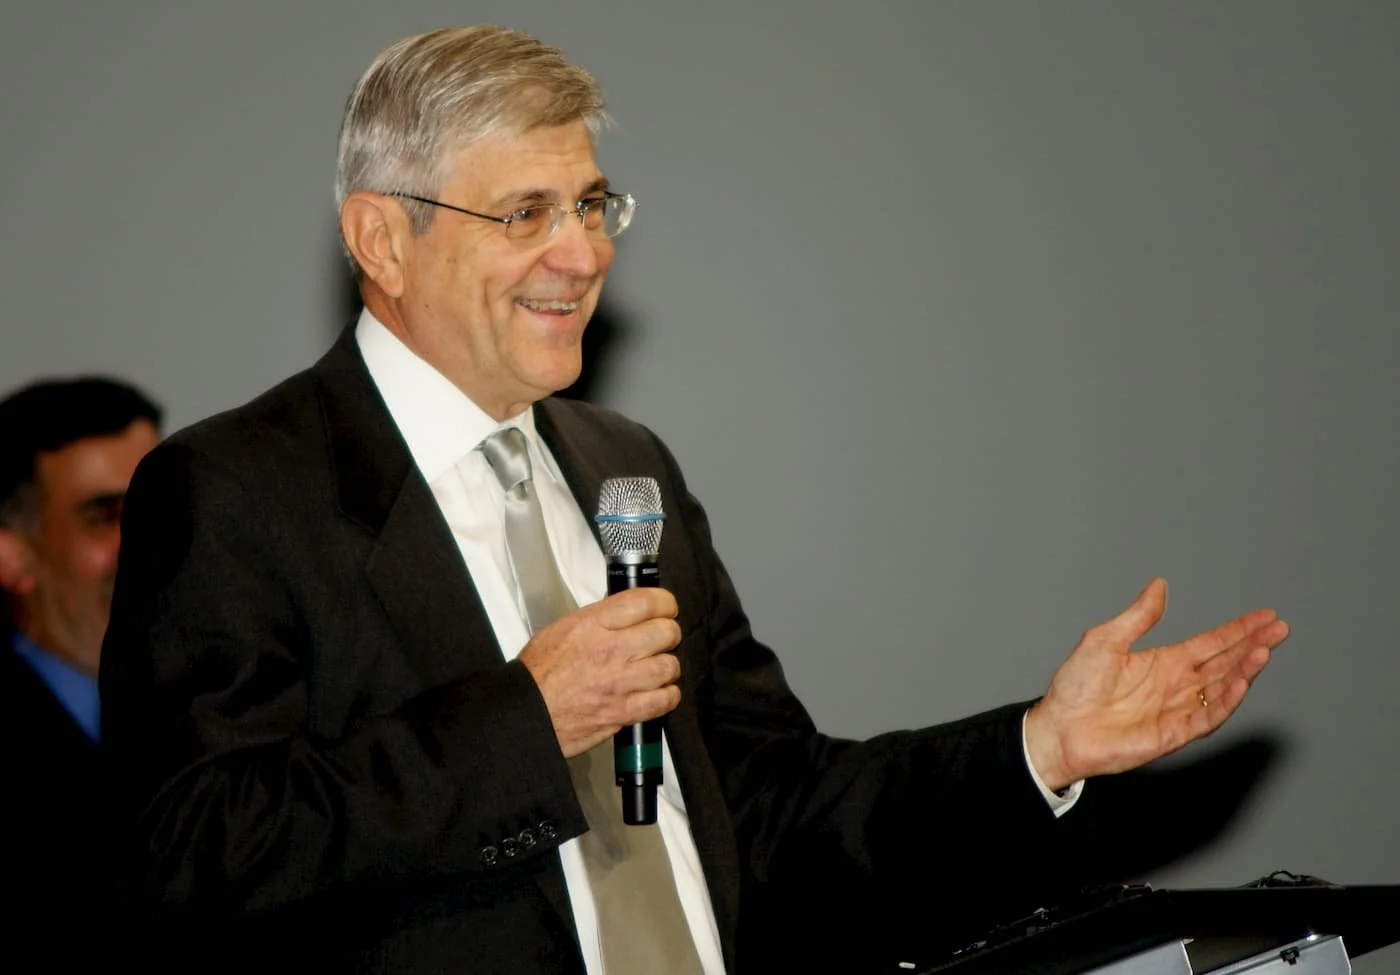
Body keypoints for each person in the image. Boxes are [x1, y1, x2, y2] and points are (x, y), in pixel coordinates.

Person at [99, 26, 1288, 975]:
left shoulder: (626, 470)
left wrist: (1038, 747)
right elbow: (193, 853)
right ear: (382, 240)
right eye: (525, 213)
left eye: (590, 205)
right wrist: (526, 721)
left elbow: (772, 808)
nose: (582, 254)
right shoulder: (239, 489)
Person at [0, 376, 161, 955]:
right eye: (104, 517)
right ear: (12, 554)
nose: (150, 541)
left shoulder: (244, 705)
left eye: (162, 505)